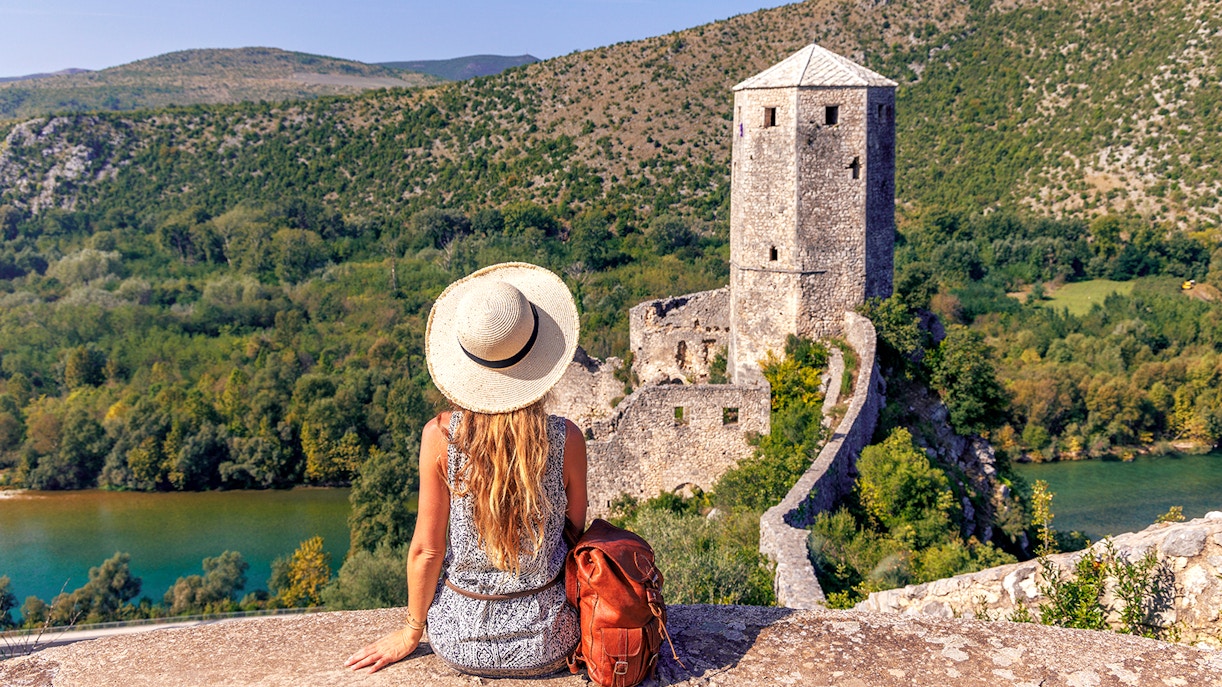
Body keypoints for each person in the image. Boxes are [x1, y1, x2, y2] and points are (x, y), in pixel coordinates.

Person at [345, 262, 586, 677]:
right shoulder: (567, 439)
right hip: (551, 639)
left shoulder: (440, 437)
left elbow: (427, 549)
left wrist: (411, 631)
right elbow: (574, 533)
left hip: (461, 641)